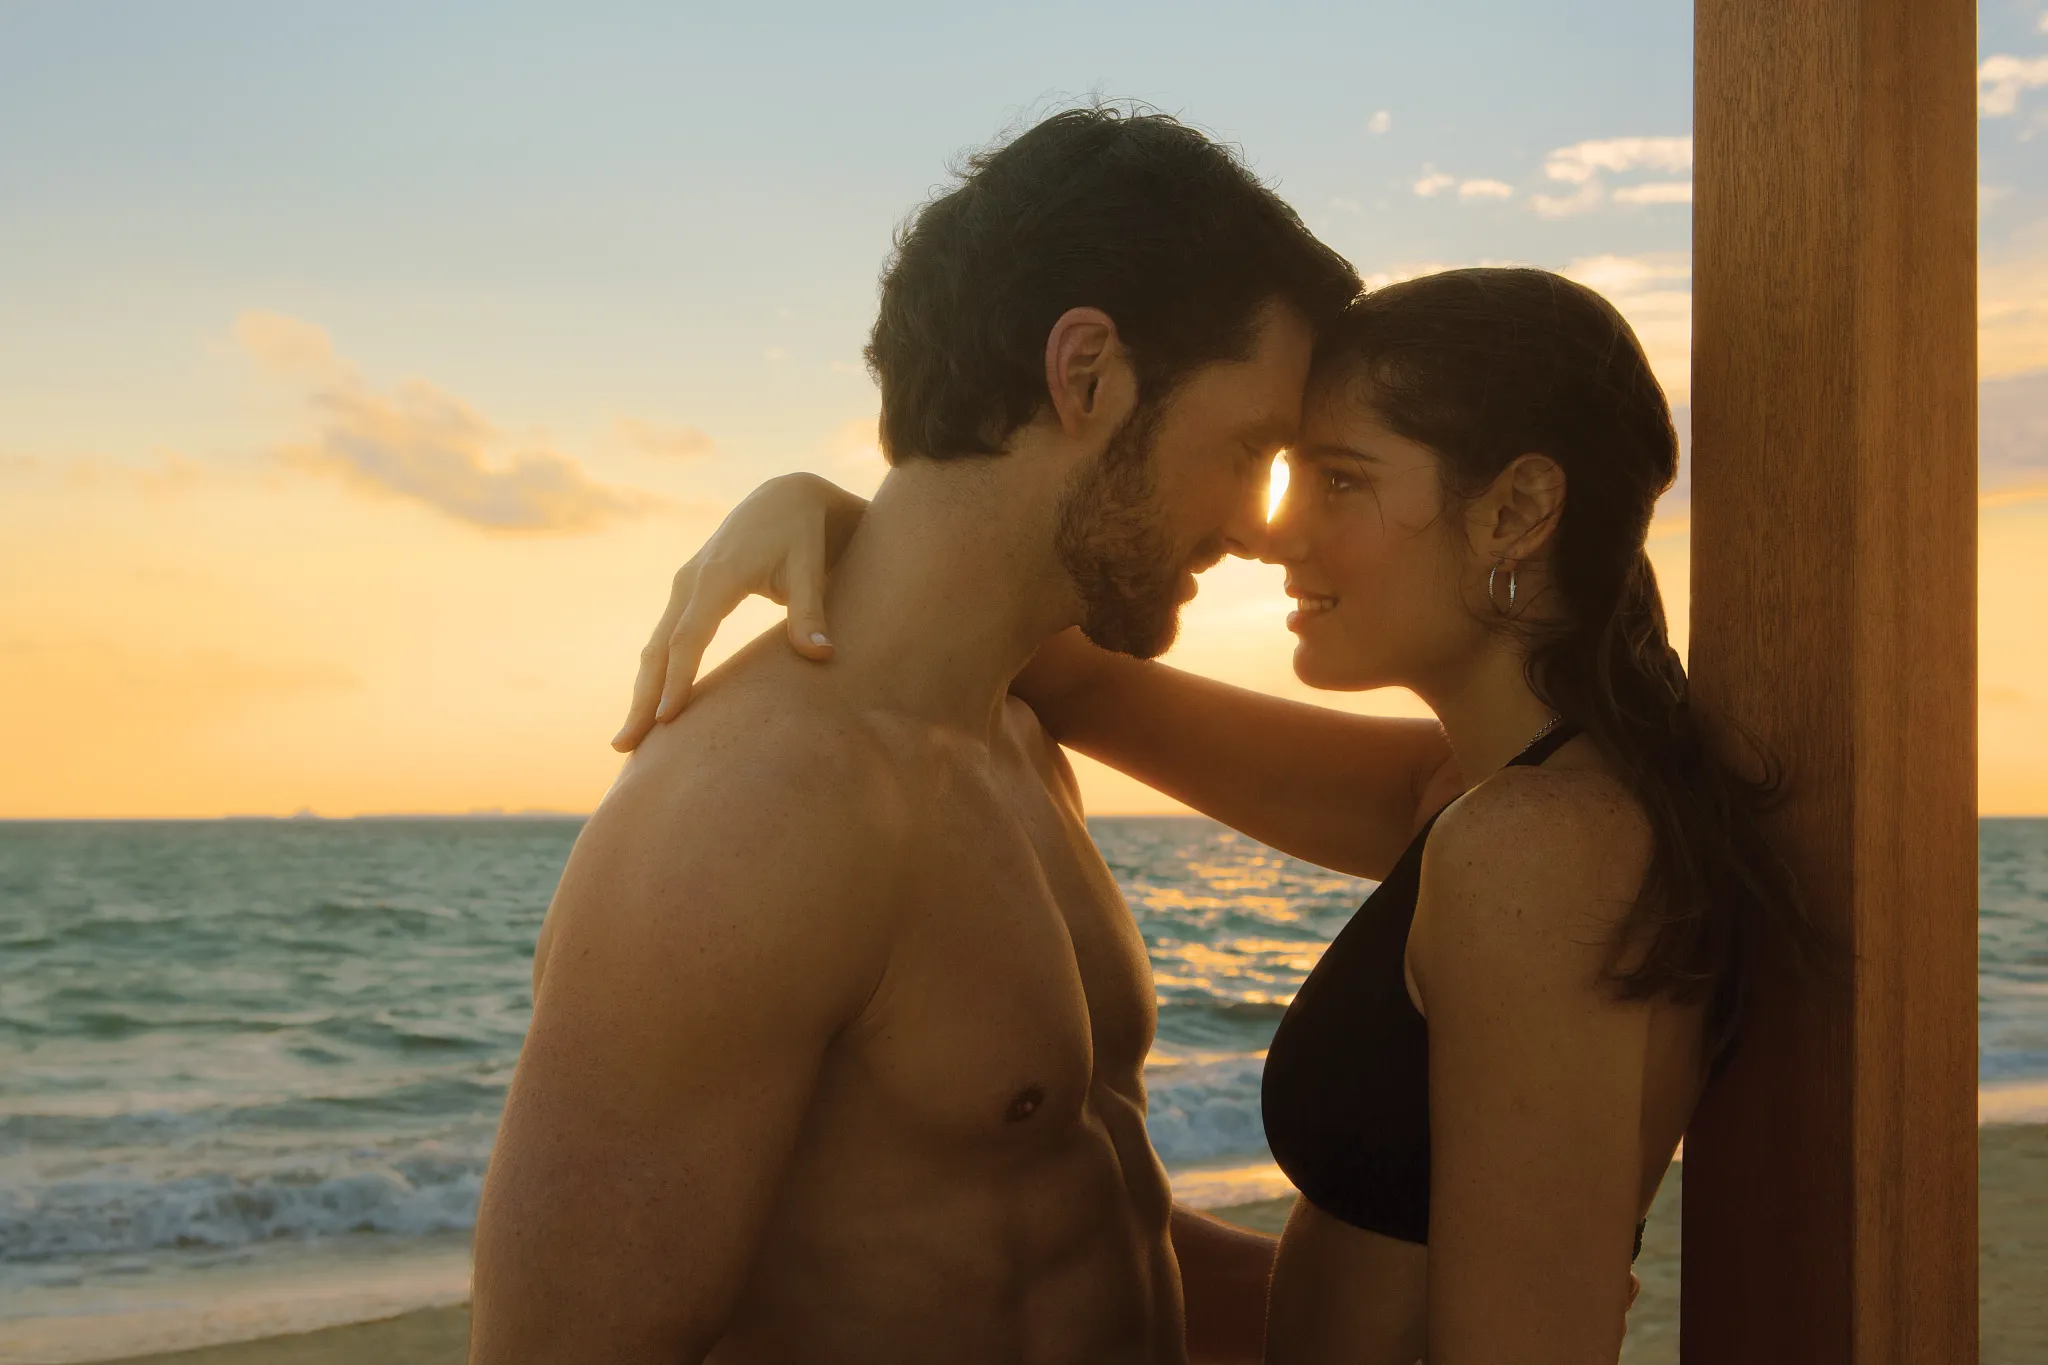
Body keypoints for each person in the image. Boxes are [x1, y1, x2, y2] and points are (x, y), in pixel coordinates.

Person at [616, 267, 1837, 1363]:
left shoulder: (1543, 845)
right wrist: (818, 507)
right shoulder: (1477, 792)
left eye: (1342, 480)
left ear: (1517, 508)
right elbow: (1073, 677)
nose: (1273, 533)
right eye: (1291, 472)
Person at [466, 105, 1362, 1365]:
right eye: (1251, 448)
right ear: (1086, 372)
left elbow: (1069, 1226)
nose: (1266, 527)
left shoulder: (1013, 735)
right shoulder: (755, 810)